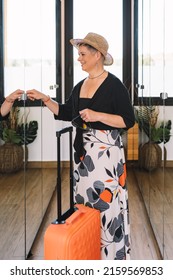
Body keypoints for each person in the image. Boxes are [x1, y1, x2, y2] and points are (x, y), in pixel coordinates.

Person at [26, 32, 135, 260]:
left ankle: (109, 255)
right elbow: (67, 112)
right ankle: (88, 251)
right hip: (84, 156)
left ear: (98, 55)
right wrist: (46, 99)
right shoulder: (80, 85)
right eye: (79, 54)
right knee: (86, 205)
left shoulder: (114, 86)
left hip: (106, 156)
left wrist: (97, 115)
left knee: (105, 205)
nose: (80, 59)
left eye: (83, 54)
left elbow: (127, 121)